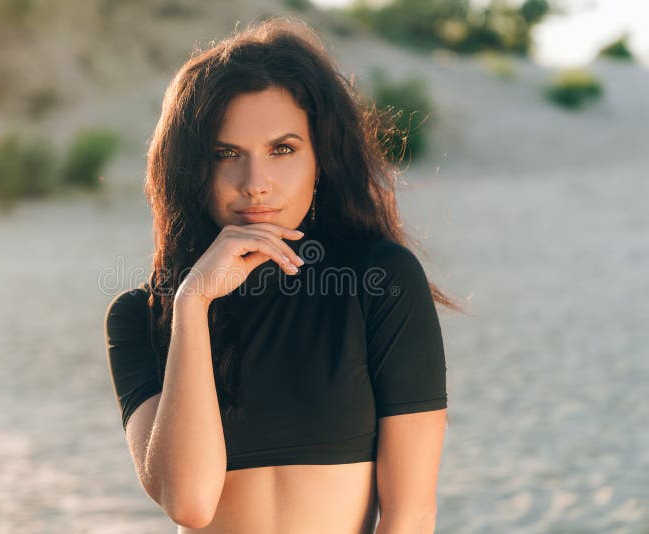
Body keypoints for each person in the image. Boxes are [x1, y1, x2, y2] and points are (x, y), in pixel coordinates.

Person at [104, 16, 464, 534]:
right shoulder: (146, 316)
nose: (256, 184)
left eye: (283, 149)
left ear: (322, 158)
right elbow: (189, 502)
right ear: (190, 169)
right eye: (226, 154)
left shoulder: (379, 280)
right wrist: (192, 306)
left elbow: (411, 515)